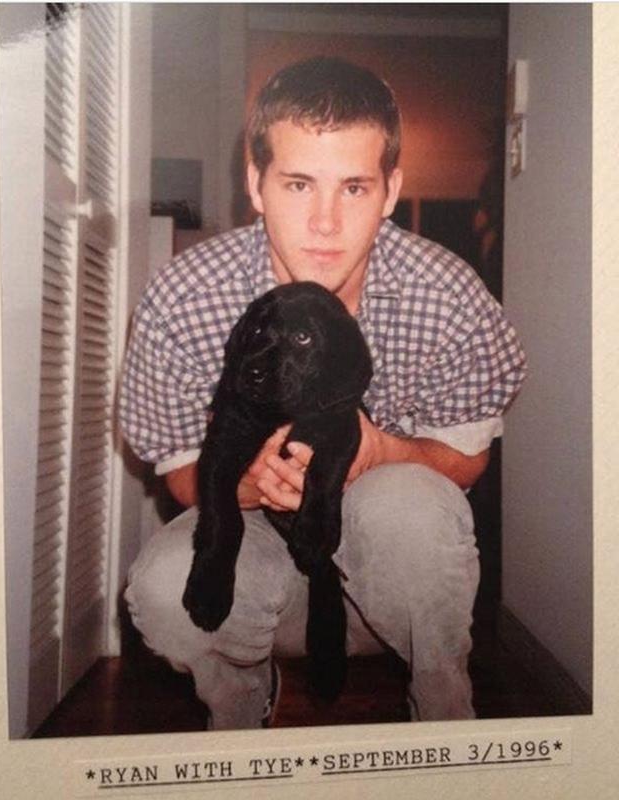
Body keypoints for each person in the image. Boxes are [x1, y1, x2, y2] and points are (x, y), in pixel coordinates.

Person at [119, 56, 527, 730]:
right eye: (299, 184)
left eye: (355, 189)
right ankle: (242, 701)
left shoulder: (450, 296)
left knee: (416, 504)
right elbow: (179, 474)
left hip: (386, 572)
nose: (325, 222)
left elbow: (466, 462)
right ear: (255, 182)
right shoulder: (182, 298)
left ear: (391, 190)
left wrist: (380, 451)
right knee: (162, 588)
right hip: (256, 559)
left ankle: (443, 710)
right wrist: (243, 479)